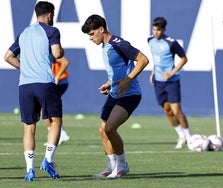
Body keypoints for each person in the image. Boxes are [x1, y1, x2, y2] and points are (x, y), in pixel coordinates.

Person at [81, 14, 149, 178]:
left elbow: (143, 60)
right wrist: (110, 83)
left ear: (101, 29)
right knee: (103, 130)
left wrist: (128, 80)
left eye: (91, 34)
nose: (90, 38)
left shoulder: (119, 44)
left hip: (130, 94)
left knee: (110, 128)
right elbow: (119, 71)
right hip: (115, 93)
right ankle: (111, 167)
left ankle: (122, 165)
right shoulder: (104, 47)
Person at [4, 1, 64, 181]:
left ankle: (30, 169)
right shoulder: (51, 31)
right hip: (44, 83)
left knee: (29, 127)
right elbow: (57, 54)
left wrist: (26, 68)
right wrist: (61, 50)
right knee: (55, 122)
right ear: (50, 14)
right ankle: (47, 159)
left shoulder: (24, 33)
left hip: (25, 85)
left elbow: (7, 56)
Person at [147, 17, 192, 149]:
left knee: (176, 110)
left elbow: (184, 59)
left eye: (159, 30)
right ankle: (181, 136)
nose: (156, 32)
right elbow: (156, 58)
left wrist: (171, 73)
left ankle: (190, 138)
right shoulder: (150, 40)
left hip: (172, 81)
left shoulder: (171, 43)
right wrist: (153, 72)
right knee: (167, 110)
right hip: (158, 81)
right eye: (154, 29)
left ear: (164, 29)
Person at [44, 57, 70, 146]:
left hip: (59, 83)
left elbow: (65, 61)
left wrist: (57, 76)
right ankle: (58, 134)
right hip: (53, 83)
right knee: (44, 108)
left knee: (47, 108)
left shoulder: (49, 51)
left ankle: (58, 135)